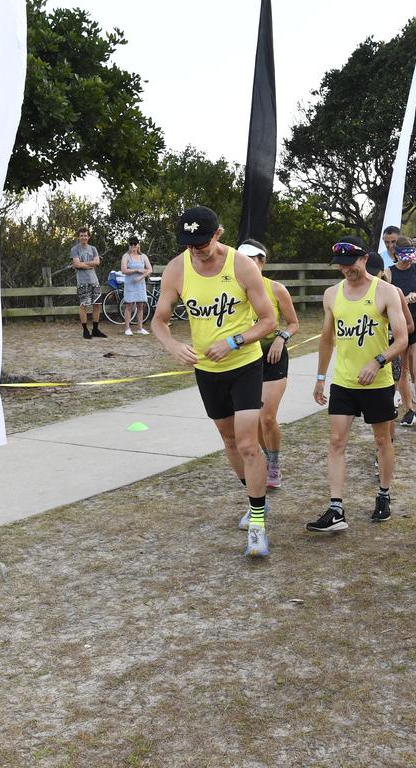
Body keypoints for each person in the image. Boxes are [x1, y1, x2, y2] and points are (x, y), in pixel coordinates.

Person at [150, 206, 276, 558]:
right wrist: (173, 345)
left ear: (218, 234)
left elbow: (267, 321)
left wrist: (235, 341)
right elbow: (159, 321)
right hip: (207, 370)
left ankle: (256, 523)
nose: (196, 249)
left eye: (202, 242)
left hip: (245, 364)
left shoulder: (242, 266)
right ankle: (256, 501)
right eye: (189, 244)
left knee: (249, 444)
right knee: (230, 440)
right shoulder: (177, 269)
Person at [308, 240, 408, 533]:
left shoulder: (386, 292)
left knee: (382, 441)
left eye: (351, 262)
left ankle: (384, 494)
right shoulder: (331, 294)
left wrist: (378, 361)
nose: (346, 269)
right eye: (340, 264)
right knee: (337, 442)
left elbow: (402, 339)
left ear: (364, 259)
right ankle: (336, 508)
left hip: (377, 383)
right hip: (344, 381)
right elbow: (327, 339)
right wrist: (320, 377)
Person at [239, 239, 300, 490]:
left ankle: (274, 463)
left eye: (252, 260)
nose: (247, 265)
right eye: (242, 260)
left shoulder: (276, 289)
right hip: (244, 360)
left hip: (273, 357)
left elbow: (293, 323)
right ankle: (262, 460)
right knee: (250, 420)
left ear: (262, 262)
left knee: (266, 416)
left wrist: (281, 338)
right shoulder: (233, 290)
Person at [385, 236, 416, 429]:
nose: (408, 260)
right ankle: (408, 409)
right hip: (400, 327)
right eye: (403, 256)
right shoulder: (389, 273)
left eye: (410, 256)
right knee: (403, 370)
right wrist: (401, 300)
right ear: (396, 254)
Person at [71, 226, 106, 339]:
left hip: (94, 280)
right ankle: (85, 330)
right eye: (81, 236)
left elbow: (98, 262)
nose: (83, 237)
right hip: (82, 281)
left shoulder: (93, 248)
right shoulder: (75, 249)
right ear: (78, 237)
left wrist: (83, 264)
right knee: (84, 305)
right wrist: (89, 264)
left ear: (89, 236)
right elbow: (77, 264)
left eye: (85, 235)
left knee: (97, 305)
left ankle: (95, 329)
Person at [121, 236, 152, 336]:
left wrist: (141, 276)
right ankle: (127, 328)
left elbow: (149, 269)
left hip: (140, 285)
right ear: (129, 245)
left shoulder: (143, 256)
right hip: (130, 284)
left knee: (140, 306)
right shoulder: (126, 256)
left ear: (138, 245)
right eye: (131, 244)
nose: (133, 246)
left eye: (135, 244)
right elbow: (124, 270)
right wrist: (136, 270)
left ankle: (140, 328)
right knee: (129, 306)